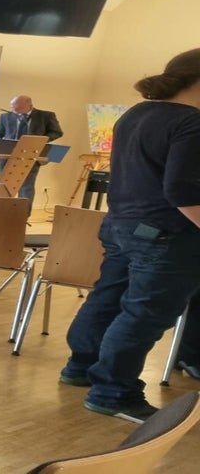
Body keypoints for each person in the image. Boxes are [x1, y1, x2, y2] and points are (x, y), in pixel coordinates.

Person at [59, 48, 200, 423]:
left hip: (121, 225)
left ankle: (80, 366)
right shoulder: (192, 123)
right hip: (166, 235)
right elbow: (183, 191)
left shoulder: (135, 114)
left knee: (107, 298)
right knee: (144, 314)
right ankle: (113, 391)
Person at [0, 94, 63, 200]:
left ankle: (23, 210)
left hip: (31, 156)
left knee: (26, 187)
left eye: (19, 108)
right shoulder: (5, 117)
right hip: (7, 157)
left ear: (30, 105)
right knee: (3, 187)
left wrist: (40, 140)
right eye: (13, 108)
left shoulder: (46, 116)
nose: (15, 111)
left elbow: (57, 132)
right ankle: (2, 209)